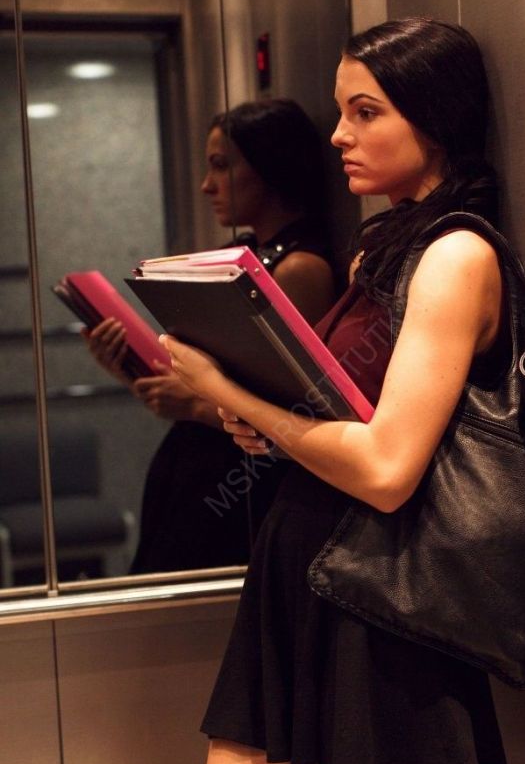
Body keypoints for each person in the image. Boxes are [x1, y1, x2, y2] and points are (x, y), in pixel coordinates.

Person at [162, 18, 517, 764]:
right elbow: (338, 418)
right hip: (295, 574)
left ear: (434, 117)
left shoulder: (457, 256)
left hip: (380, 602)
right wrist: (267, 424)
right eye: (340, 111)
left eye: (365, 112)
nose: (338, 136)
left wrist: (228, 395)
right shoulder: (377, 251)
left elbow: (388, 469)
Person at [83, 99, 336, 573]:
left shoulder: (301, 268)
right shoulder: (242, 253)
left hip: (240, 482)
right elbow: (205, 377)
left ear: (269, 165)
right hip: (197, 464)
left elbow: (296, 417)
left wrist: (196, 406)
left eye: (221, 165)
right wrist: (128, 367)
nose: (207, 185)